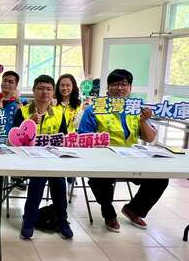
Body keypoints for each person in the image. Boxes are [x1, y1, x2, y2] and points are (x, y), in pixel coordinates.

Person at [78, 69, 168, 232]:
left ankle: (134, 209)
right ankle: (108, 212)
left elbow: (149, 138)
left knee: (161, 178)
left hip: (132, 159)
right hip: (103, 159)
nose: (120, 88)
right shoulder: (94, 109)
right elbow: (84, 137)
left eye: (124, 84)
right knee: (100, 176)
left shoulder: (137, 108)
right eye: (115, 84)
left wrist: (143, 121)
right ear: (108, 88)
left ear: (130, 88)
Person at [13, 75, 73, 240]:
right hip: (28, 159)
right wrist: (28, 123)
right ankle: (29, 221)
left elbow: (63, 139)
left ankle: (62, 221)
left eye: (48, 89)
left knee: (59, 181)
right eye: (40, 88)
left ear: (53, 92)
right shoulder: (23, 111)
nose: (44, 92)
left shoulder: (59, 114)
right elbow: (13, 140)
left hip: (52, 159)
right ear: (33, 91)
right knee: (38, 180)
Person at [54, 74, 83, 195]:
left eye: (68, 85)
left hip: (72, 140)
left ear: (73, 87)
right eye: (62, 85)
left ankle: (70, 181)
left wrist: (83, 112)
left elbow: (77, 125)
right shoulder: (53, 103)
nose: (65, 88)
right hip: (55, 140)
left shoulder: (78, 104)